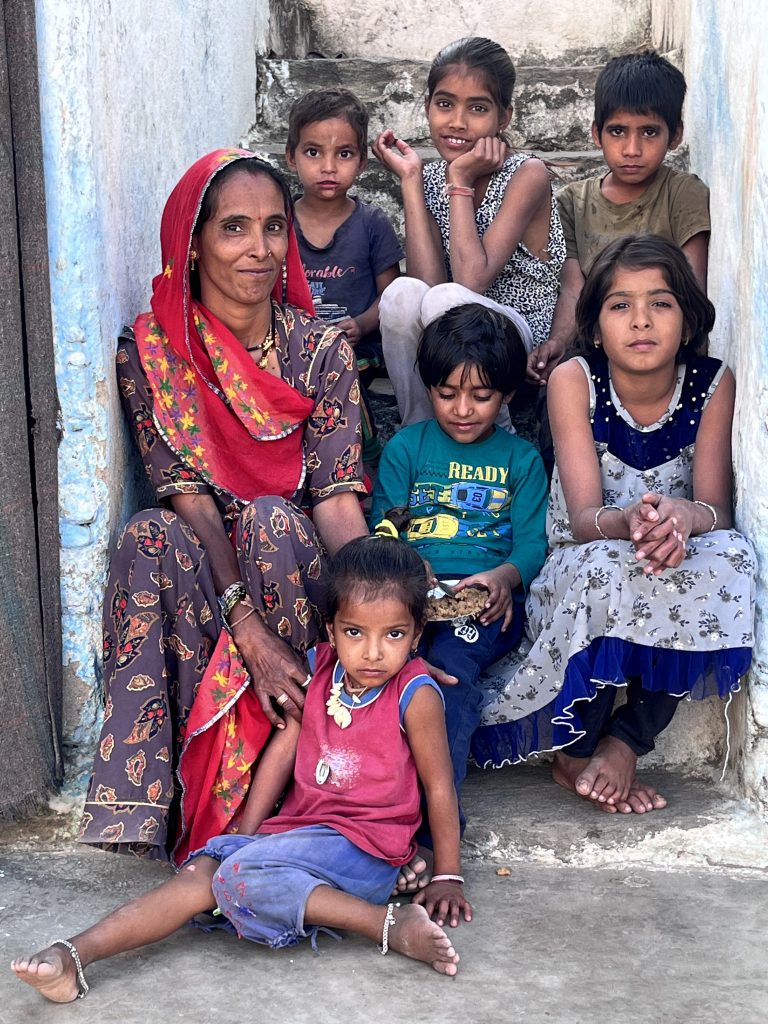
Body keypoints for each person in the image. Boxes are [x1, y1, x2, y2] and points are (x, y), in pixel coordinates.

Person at [12, 533, 472, 1002]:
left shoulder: (414, 694)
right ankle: (76, 955)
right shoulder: (320, 670)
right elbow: (284, 750)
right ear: (331, 631)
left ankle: (389, 925)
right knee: (204, 870)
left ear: (416, 635)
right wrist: (248, 834)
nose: (373, 652)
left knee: (237, 879)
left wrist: (447, 875)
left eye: (393, 634)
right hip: (301, 835)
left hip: (367, 844)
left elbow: (439, 787)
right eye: (356, 632)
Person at [78, 149, 369, 866]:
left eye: (275, 227)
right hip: (208, 577)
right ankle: (143, 810)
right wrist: (247, 633)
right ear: (195, 241)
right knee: (149, 534)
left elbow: (333, 504)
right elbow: (192, 503)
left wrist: (384, 601)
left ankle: (285, 800)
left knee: (272, 521)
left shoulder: (320, 352)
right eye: (235, 228)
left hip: (293, 568)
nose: (260, 249)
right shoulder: (151, 354)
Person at [472, 235, 755, 813]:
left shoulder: (712, 384)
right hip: (592, 547)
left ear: (688, 318)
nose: (641, 320)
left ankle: (628, 740)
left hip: (675, 546)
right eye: (620, 305)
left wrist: (682, 519)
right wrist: (628, 521)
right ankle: (574, 746)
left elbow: (715, 509)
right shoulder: (574, 378)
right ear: (597, 328)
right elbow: (580, 519)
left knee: (733, 558)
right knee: (607, 570)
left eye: (661, 302)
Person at [370, 303, 548, 817]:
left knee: (446, 672)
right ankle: (372, 805)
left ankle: (434, 822)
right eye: (447, 394)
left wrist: (501, 576)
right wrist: (408, 567)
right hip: (411, 594)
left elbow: (533, 544)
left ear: (508, 395)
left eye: (481, 395)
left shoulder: (521, 459)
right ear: (429, 388)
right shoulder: (407, 448)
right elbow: (386, 525)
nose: (463, 409)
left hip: (483, 603)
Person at [372, 36, 565, 427]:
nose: (457, 122)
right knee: (401, 293)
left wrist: (459, 178)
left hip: (517, 348)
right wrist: (411, 179)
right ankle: (420, 431)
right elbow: (426, 287)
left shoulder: (527, 174)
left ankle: (500, 433)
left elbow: (470, 281)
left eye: (477, 108)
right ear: (427, 107)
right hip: (451, 338)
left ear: (504, 117)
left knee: (448, 298)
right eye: (444, 104)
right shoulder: (429, 178)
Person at [530, 50, 711, 386]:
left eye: (649, 132)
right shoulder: (573, 202)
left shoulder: (682, 193)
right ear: (597, 133)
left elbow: (691, 287)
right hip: (596, 348)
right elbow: (573, 290)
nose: (631, 149)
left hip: (664, 352)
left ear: (675, 136)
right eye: (617, 132)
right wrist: (557, 341)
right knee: (561, 385)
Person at [286, 87, 403, 461]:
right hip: (293, 348)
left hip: (359, 349)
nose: (329, 166)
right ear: (291, 157)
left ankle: (361, 458)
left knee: (342, 363)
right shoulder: (280, 222)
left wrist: (362, 325)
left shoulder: (371, 224)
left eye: (344, 154)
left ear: (363, 163)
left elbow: (392, 296)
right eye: (313, 152)